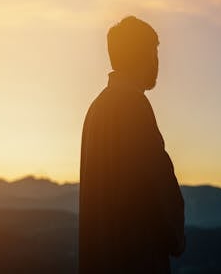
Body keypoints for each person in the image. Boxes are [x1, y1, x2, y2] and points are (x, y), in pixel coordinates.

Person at [79, 16, 185, 273]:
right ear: (138, 56)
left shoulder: (97, 108)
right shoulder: (133, 105)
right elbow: (158, 182)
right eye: (153, 54)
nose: (157, 63)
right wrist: (175, 237)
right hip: (135, 260)